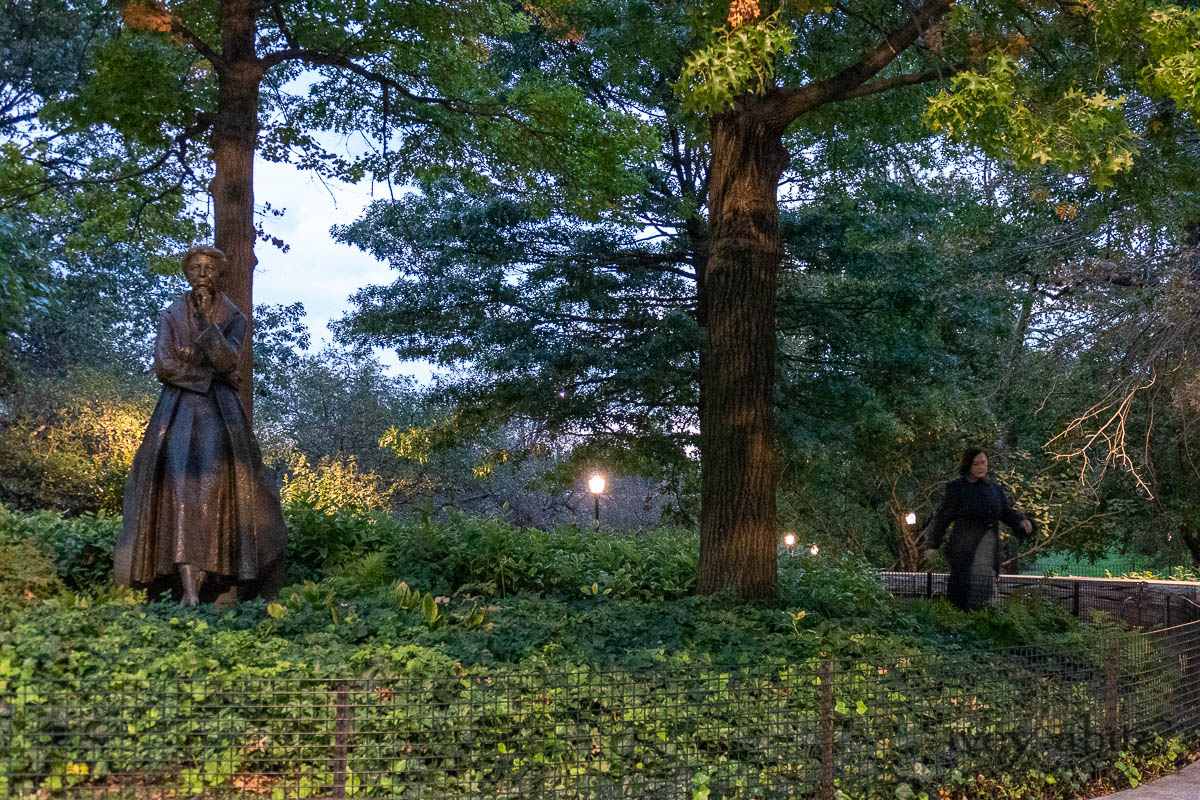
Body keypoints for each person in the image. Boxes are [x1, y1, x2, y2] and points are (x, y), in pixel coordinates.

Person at [114, 245, 286, 606]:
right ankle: (185, 589)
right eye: (194, 268)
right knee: (177, 490)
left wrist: (206, 332)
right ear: (186, 274)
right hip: (176, 411)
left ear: (220, 273)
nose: (201, 273)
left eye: (208, 267)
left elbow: (227, 361)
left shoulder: (234, 316)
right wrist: (203, 375)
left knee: (214, 493)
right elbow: (164, 365)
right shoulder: (171, 314)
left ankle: (218, 582)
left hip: (220, 413)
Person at [922, 448, 1034, 611]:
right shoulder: (957, 488)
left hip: (988, 547)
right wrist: (933, 544)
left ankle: (981, 626)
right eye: (976, 464)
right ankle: (958, 625)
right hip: (964, 547)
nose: (981, 467)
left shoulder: (995, 489)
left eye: (983, 463)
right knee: (962, 590)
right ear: (968, 465)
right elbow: (943, 517)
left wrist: (1022, 523)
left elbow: (1005, 513)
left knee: (985, 591)